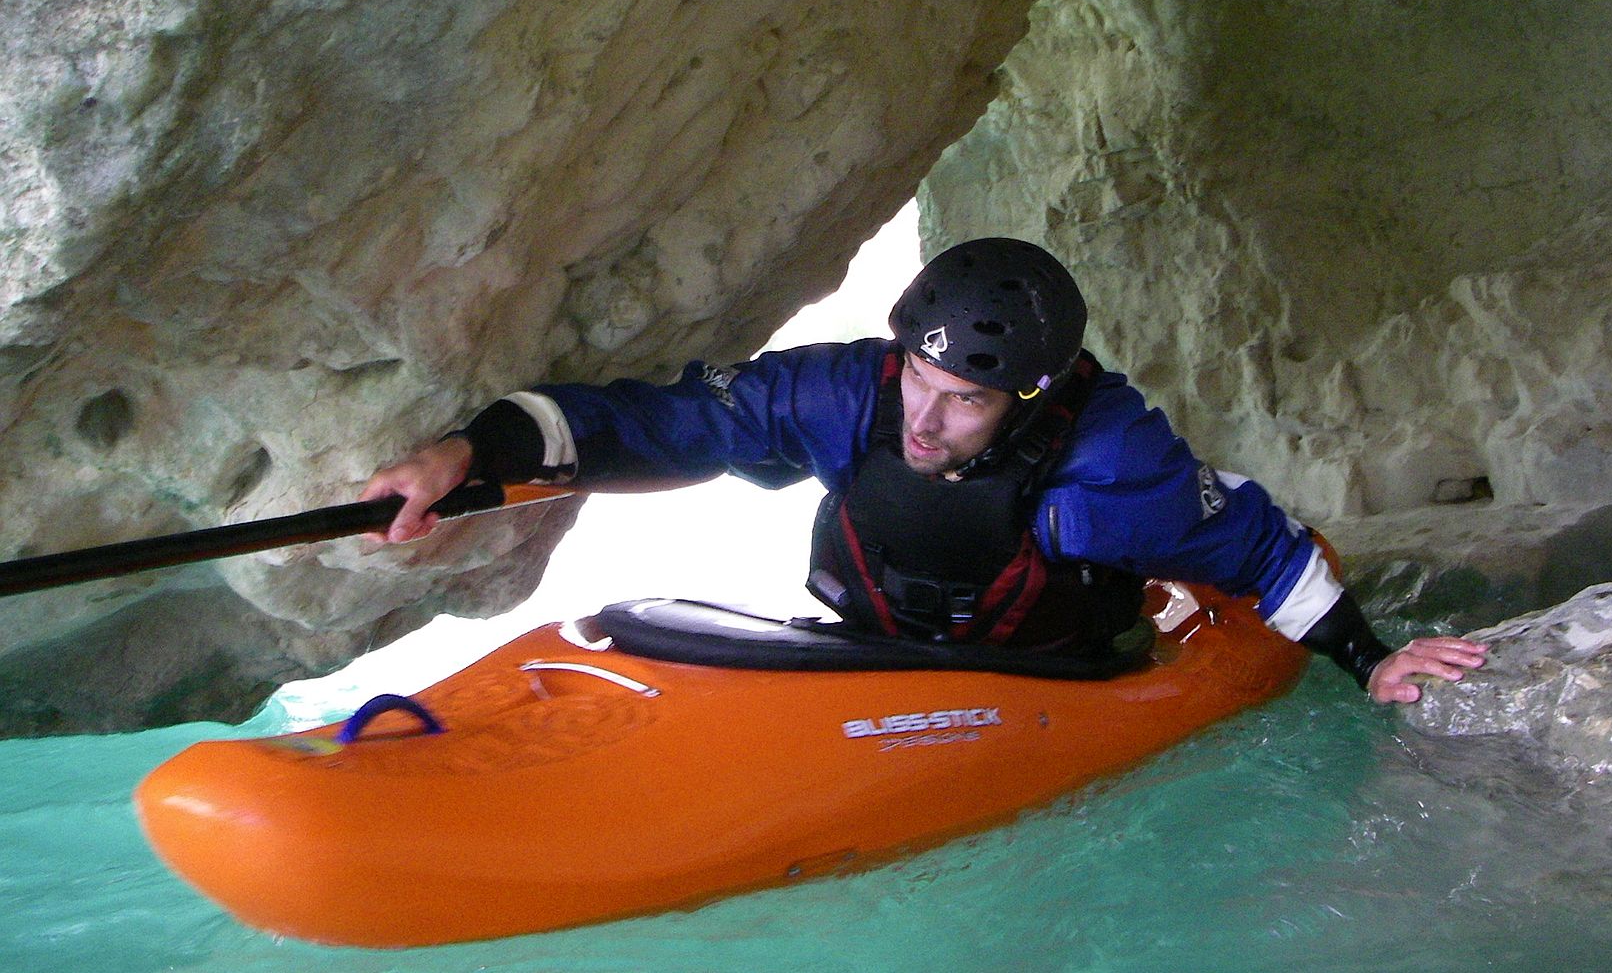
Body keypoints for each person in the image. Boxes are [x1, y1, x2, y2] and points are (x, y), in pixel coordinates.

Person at [363, 238, 1485, 702]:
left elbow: (1257, 546)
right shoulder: (849, 389)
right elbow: (662, 425)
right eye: (920, 381)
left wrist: (1370, 660)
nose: (927, 421)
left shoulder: (1109, 466)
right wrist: (476, 450)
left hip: (1044, 678)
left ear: (1029, 398)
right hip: (868, 654)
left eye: (968, 401)